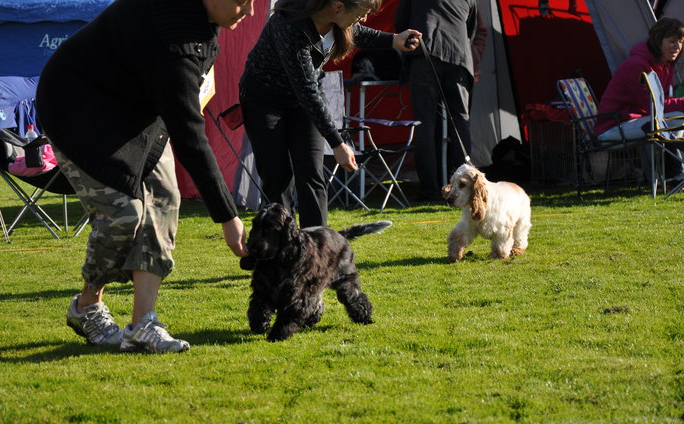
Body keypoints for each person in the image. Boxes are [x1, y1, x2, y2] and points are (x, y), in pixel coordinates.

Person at [36, 0, 253, 354]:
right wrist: (228, 218)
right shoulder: (175, 40)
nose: (249, 12)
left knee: (166, 197)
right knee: (124, 213)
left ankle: (143, 325)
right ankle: (87, 306)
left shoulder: (205, 22)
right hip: (76, 106)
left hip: (137, 107)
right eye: (242, 1)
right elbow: (190, 138)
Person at [239, 0, 421, 228]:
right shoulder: (289, 24)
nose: (363, 18)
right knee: (278, 180)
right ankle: (283, 249)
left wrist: (395, 40)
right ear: (337, 6)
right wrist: (337, 143)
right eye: (362, 13)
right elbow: (306, 90)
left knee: (313, 174)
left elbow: (358, 33)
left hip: (302, 101)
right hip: (264, 101)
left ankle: (318, 249)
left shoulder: (336, 21)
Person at [395, 0, 478, 202]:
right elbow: (471, 29)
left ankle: (429, 190)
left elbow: (401, 27)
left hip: (424, 56)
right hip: (458, 56)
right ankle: (465, 190)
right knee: (460, 123)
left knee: (425, 126)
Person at [594, 17, 684, 181]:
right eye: (672, 41)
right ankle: (675, 175)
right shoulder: (637, 66)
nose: (677, 47)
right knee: (675, 121)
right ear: (658, 41)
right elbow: (655, 106)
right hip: (614, 126)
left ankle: (674, 175)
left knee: (675, 120)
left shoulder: (665, 65)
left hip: (639, 121)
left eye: (680, 41)